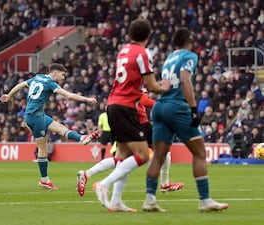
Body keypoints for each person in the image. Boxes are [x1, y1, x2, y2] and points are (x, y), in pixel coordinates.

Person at [142, 27, 229, 213]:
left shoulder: (169, 58)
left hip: (159, 107)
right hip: (177, 107)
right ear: (189, 39)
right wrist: (193, 109)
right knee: (199, 153)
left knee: (158, 156)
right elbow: (184, 79)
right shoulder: (190, 56)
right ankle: (205, 200)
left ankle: (149, 200)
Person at [92, 18, 171, 212]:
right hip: (126, 107)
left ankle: (116, 201)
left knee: (123, 155)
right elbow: (152, 86)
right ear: (149, 35)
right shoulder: (142, 53)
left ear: (130, 35)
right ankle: (104, 184)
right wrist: (166, 89)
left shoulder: (124, 50)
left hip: (113, 104)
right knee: (143, 155)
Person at [0, 63, 100, 190]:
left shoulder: (38, 77)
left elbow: (21, 84)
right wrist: (87, 99)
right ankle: (44, 180)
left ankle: (82, 138)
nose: (63, 78)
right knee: (43, 149)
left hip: (37, 115)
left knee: (60, 128)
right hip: (35, 117)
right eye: (62, 75)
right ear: (55, 72)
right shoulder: (50, 83)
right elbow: (68, 96)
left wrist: (9, 95)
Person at [76, 92, 183, 199]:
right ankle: (163, 185)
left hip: (121, 119)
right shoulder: (139, 78)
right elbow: (144, 101)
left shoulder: (122, 83)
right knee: (163, 149)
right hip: (138, 123)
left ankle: (88, 174)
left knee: (120, 158)